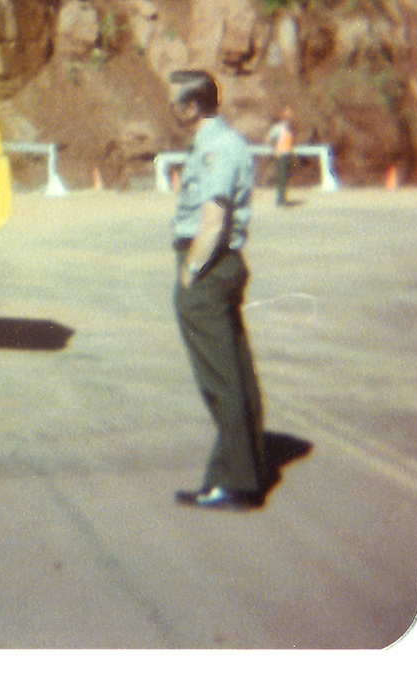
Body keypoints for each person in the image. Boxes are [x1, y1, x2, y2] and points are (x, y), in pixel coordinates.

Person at [169, 69, 267, 510]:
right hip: (221, 266)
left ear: (191, 107)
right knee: (235, 374)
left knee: (222, 379)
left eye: (174, 101)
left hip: (209, 268)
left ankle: (235, 483)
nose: (170, 109)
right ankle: (242, 472)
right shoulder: (221, 143)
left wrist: (191, 270)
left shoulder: (216, 148)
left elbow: (213, 220)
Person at [267, 108, 296, 206]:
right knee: (282, 178)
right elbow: (269, 138)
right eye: (288, 117)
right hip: (281, 155)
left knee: (285, 178)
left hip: (287, 155)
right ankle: (280, 200)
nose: (290, 119)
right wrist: (274, 149)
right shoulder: (279, 128)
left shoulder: (289, 129)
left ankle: (283, 198)